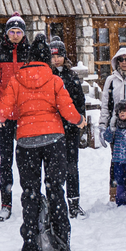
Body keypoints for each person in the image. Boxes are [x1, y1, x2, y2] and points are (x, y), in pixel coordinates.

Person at [0, 34, 86, 251]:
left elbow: (1, 112)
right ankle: (62, 239)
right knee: (55, 189)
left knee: (30, 191)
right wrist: (80, 121)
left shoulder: (16, 80)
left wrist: (14, 113)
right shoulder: (55, 80)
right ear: (46, 58)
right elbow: (68, 109)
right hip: (53, 139)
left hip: (26, 142)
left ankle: (30, 242)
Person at [0, 13, 31, 222]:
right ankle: (6, 203)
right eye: (11, 32)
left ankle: (30, 199)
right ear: (6, 33)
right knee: (6, 160)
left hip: (25, 115)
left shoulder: (30, 53)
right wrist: (3, 101)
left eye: (18, 32)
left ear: (23, 34)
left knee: (27, 159)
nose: (15, 35)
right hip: (4, 116)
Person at [49, 36, 87, 219]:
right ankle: (55, 201)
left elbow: (80, 101)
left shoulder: (72, 77)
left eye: (59, 56)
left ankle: (74, 202)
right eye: (53, 56)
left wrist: (80, 119)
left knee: (72, 166)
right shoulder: (46, 76)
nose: (56, 59)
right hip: (52, 129)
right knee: (54, 167)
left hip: (70, 128)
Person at [98, 45, 126, 200]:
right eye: (121, 59)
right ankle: (115, 193)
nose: (124, 62)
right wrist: (103, 125)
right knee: (117, 159)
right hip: (117, 126)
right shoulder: (111, 80)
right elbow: (105, 103)